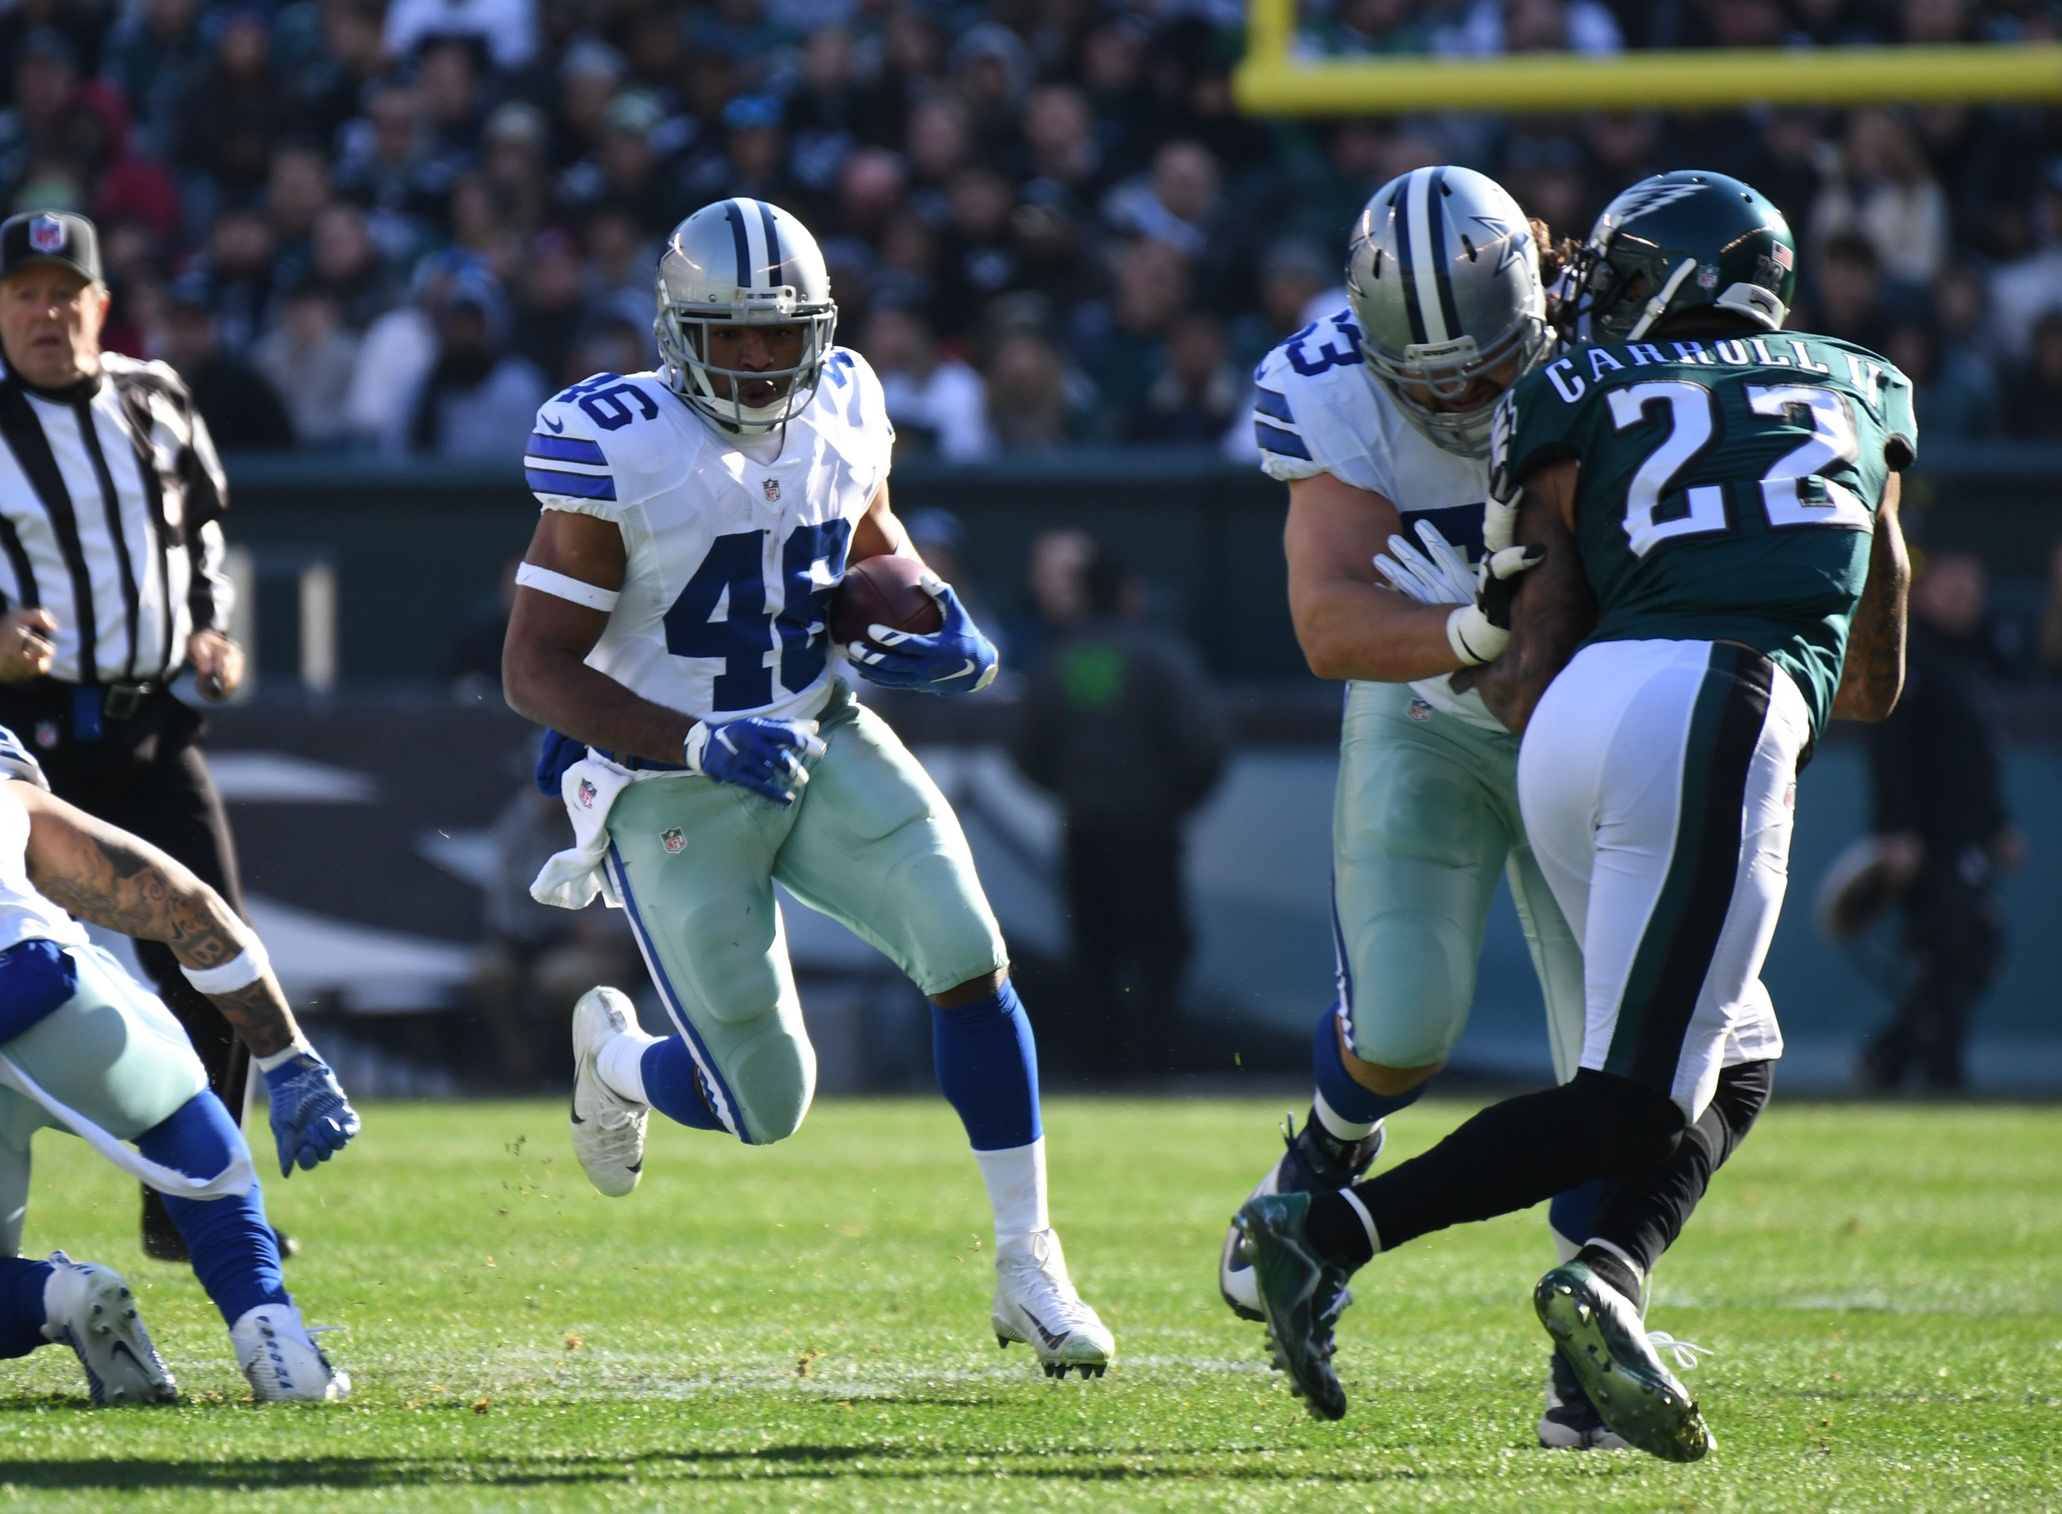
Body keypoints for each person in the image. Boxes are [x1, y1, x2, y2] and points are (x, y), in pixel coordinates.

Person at [1236, 171, 1913, 1462]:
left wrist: (1507, 636)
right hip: (1589, 703)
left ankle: (1579, 1319)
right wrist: (1460, 631)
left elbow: (1536, 658)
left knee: (1681, 1060)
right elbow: (1875, 676)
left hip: (1565, 707)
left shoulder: (1575, 375)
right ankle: (1330, 1223)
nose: (1451, 394)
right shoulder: (1850, 379)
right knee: (1581, 1074)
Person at [501, 197, 1113, 1379]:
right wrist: (691, 741)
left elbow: (868, 540)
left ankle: (1027, 1260)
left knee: (966, 948)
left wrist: (938, 615)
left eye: (784, 334)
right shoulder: (618, 443)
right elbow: (532, 669)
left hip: (815, 726)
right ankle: (620, 1060)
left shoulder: (845, 400)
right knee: (764, 1103)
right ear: (678, 333)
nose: (763, 359)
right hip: (666, 783)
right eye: (734, 336)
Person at [1218, 165, 1616, 1449]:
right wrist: (1467, 627)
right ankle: (1318, 1166)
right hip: (1430, 710)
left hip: (1595, 724)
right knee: (1401, 1022)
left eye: (1484, 368)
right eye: (1424, 376)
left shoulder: (1618, 344)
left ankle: (1587, 1358)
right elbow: (1331, 624)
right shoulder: (1324, 383)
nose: (1455, 397)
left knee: (1615, 1072)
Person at [0, 210, 268, 1264]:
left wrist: (214, 627)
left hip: (153, 729)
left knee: (221, 949)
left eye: (66, 293)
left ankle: (195, 1204)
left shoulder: (155, 399)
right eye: (23, 293)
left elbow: (201, 531)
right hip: (28, 747)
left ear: (102, 307)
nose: (46, 312)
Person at [0, 724, 358, 1402]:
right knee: (176, 1120)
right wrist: (286, 1056)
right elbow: (184, 906)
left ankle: (64, 1297)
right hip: (37, 984)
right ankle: (272, 1339)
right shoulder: (10, 793)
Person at [1013, 548, 1228, 1080]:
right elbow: (1205, 744)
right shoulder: (1160, 656)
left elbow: (1024, 747)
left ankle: (1097, 1067)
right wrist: (1177, 802)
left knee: (1092, 952)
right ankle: (1154, 1063)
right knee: (1161, 949)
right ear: (1130, 593)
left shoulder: (1057, 659)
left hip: (1083, 829)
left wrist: (1071, 791)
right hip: (1151, 829)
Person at [1859, 550, 2017, 1092]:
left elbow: (1979, 758)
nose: (1963, 602)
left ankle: (1900, 1058)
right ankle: (1925, 1065)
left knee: (1971, 951)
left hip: (1967, 836)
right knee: (1954, 944)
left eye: (1972, 592)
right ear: (1922, 591)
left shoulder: (1977, 659)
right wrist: (1896, 830)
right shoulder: (1910, 658)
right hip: (1926, 839)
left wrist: (1998, 824)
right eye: (1952, 589)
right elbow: (1891, 752)